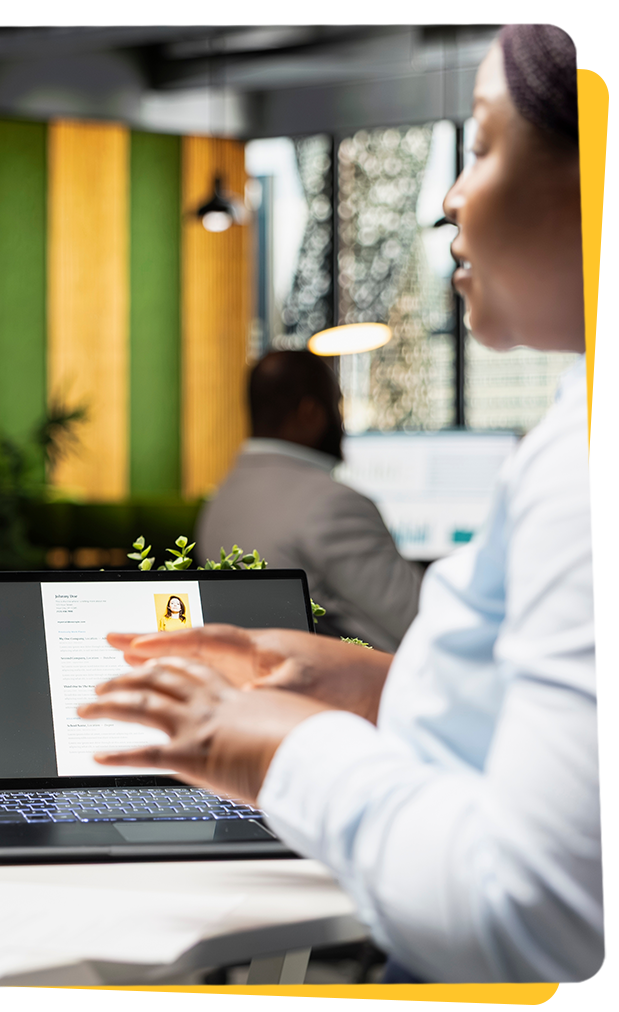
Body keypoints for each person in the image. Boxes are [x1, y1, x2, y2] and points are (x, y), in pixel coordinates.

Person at [80, 24, 601, 983]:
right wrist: (369, 686)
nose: (447, 196)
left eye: (480, 144)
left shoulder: (587, 466)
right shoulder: (575, 431)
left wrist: (279, 753)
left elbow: (532, 911)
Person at [198, 349, 421, 651]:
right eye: (337, 406)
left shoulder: (221, 500)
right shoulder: (333, 505)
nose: (340, 423)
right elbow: (421, 619)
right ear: (310, 413)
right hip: (361, 687)